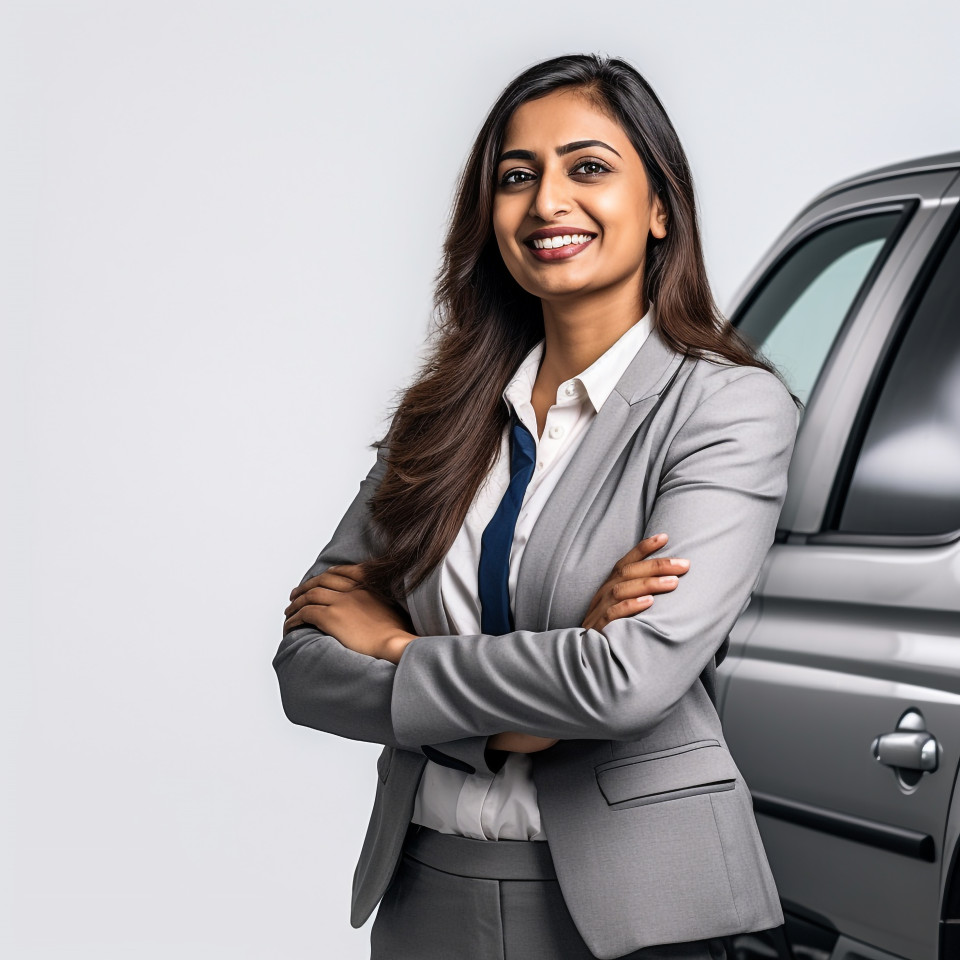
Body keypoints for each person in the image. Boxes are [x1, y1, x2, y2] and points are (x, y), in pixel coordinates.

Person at [274, 53, 802, 960]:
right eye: (517, 177)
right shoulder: (438, 419)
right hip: (426, 893)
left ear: (661, 206)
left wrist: (400, 649)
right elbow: (304, 663)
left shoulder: (727, 407)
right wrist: (542, 698)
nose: (547, 201)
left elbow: (625, 682)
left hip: (638, 913)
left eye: (588, 168)